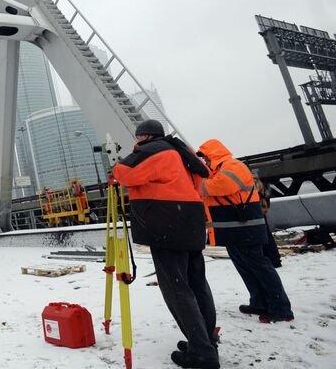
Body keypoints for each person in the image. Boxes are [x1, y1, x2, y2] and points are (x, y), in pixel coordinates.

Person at [113, 120, 219, 369]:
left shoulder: (152, 150)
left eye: (138, 139)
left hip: (166, 224)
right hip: (190, 221)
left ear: (144, 137)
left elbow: (126, 173)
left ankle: (202, 353)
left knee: (177, 288)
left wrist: (116, 165)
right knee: (197, 284)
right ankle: (204, 339)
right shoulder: (181, 151)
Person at [197, 139, 294, 324]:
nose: (205, 161)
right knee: (245, 266)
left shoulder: (233, 166)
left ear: (212, 154)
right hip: (233, 229)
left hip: (246, 228)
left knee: (259, 266)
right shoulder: (218, 171)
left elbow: (217, 187)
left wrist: (195, 180)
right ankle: (258, 302)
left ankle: (281, 308)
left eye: (205, 157)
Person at [253, 174, 282, 268]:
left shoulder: (252, 183)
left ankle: (272, 259)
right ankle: (274, 259)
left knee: (264, 236)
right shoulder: (259, 182)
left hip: (256, 212)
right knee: (266, 235)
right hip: (261, 211)